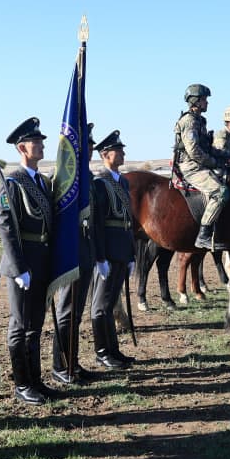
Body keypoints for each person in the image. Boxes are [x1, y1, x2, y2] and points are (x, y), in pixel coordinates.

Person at [0, 117, 56, 406]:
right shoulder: (12, 182)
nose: (42, 144)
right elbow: (7, 227)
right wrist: (19, 268)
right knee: (20, 325)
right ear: (22, 147)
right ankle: (22, 384)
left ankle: (36, 380)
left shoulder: (42, 182)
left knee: (36, 324)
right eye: (36, 141)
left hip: (42, 261)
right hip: (23, 265)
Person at [89, 130, 136, 369]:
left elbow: (129, 219)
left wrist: (132, 254)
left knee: (110, 304)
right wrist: (99, 257)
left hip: (122, 250)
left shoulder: (123, 181)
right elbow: (96, 223)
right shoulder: (99, 183)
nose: (123, 153)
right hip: (108, 251)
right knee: (100, 306)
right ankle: (102, 352)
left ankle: (114, 350)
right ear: (106, 154)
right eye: (119, 150)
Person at [173, 84, 229, 250]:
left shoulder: (199, 120)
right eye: (204, 100)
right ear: (195, 101)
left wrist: (223, 155)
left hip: (199, 163)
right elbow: (194, 151)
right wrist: (214, 162)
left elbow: (205, 146)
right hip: (191, 167)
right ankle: (203, 235)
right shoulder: (189, 121)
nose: (207, 103)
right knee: (221, 192)